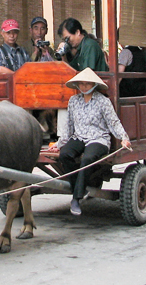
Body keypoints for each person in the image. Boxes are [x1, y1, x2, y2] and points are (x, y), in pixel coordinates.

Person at [54, 68, 132, 216]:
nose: (84, 87)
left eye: (87, 83)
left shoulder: (103, 101)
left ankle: (76, 198)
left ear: (94, 84)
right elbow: (68, 125)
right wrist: (60, 144)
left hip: (99, 138)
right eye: (81, 84)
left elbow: (113, 122)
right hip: (79, 137)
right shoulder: (73, 101)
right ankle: (79, 186)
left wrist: (124, 138)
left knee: (88, 159)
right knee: (65, 155)